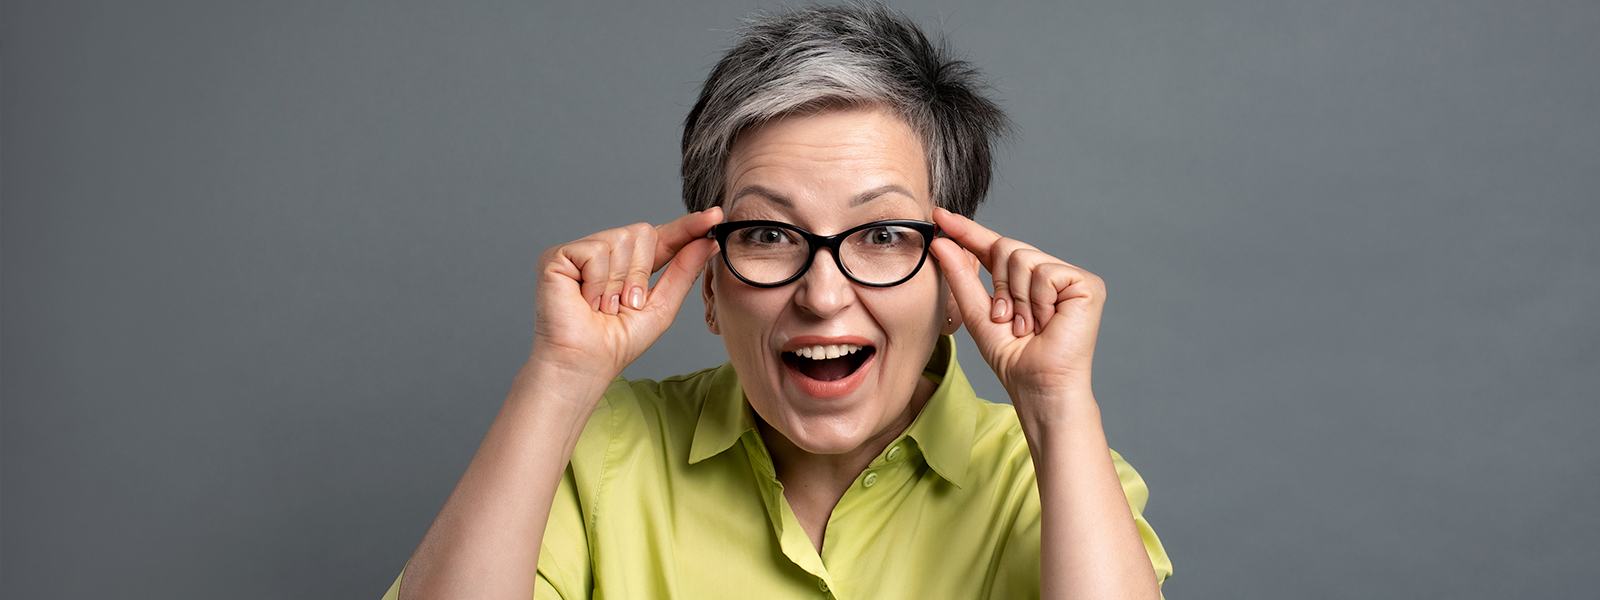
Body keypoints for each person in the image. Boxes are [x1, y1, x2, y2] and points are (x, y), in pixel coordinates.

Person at [384, 4, 1171, 599]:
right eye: (766, 235)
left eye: (882, 234)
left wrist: (1058, 407)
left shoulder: (1056, 474)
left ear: (957, 284)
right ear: (712, 286)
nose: (823, 296)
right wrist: (557, 378)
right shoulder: (598, 454)